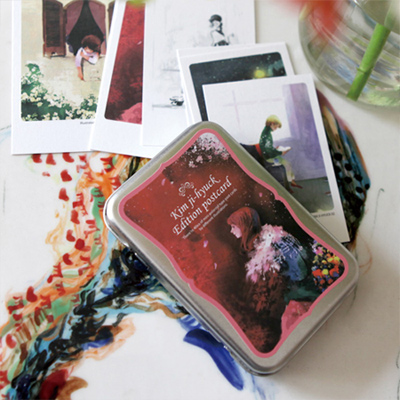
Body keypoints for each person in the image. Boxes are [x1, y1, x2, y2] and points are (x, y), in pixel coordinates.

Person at [257, 115, 303, 190]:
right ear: (272, 123)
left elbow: (268, 147)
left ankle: (292, 182)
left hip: (269, 155)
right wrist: (280, 153)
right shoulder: (267, 134)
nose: (276, 129)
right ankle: (291, 183)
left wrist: (276, 150)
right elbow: (268, 150)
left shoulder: (266, 132)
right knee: (287, 164)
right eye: (276, 127)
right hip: (269, 158)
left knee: (287, 164)